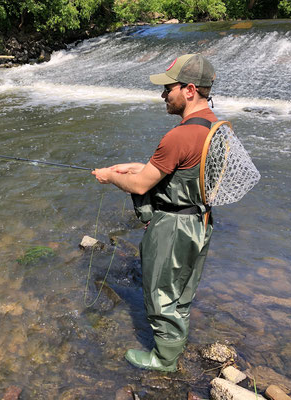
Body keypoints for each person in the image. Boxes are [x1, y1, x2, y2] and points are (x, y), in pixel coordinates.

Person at [92, 53, 217, 372]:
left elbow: (138, 186)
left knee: (160, 291)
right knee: (183, 289)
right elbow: (184, 169)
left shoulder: (178, 135)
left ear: (189, 90)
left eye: (169, 88)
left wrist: (110, 175)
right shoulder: (214, 126)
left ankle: (164, 359)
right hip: (201, 220)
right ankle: (177, 339)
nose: (163, 95)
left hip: (174, 226)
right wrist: (135, 166)